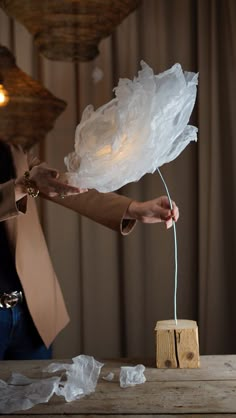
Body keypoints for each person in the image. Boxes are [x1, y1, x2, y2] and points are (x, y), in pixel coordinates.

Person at [0, 139, 179, 360]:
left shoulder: (11, 150)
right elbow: (29, 183)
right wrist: (23, 186)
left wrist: (134, 209)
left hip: (30, 314)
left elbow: (64, 185)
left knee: (35, 393)